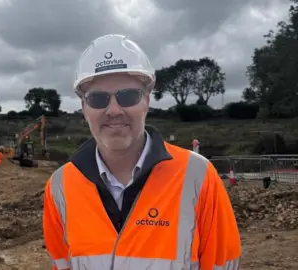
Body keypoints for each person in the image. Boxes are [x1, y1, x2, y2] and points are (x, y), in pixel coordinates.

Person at [42, 34, 241, 270]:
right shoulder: (60, 187)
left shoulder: (198, 176)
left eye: (128, 96)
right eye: (97, 99)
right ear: (84, 108)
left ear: (146, 101)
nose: (114, 110)